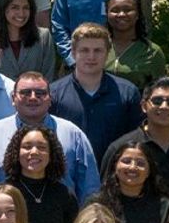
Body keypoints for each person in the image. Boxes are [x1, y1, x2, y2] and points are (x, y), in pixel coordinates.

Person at [0, 72, 101, 204]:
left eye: (40, 93)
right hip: (5, 221)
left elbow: (90, 191)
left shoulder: (73, 135)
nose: (32, 98)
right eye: (25, 92)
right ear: (13, 98)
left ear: (50, 99)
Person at [49, 23, 143, 162]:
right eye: (85, 50)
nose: (91, 57)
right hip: (67, 176)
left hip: (114, 175)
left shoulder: (127, 92)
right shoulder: (54, 93)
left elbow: (136, 139)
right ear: (73, 53)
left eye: (98, 50)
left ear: (107, 53)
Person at [104, 0, 166, 90]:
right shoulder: (97, 47)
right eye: (115, 10)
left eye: (128, 10)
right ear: (107, 14)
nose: (121, 14)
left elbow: (160, 91)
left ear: (137, 15)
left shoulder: (152, 51)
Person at [0, 0, 56, 82]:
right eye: (15, 7)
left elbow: (48, 76)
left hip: (34, 96)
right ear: (4, 9)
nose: (21, 13)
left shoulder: (44, 37)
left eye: (26, 8)